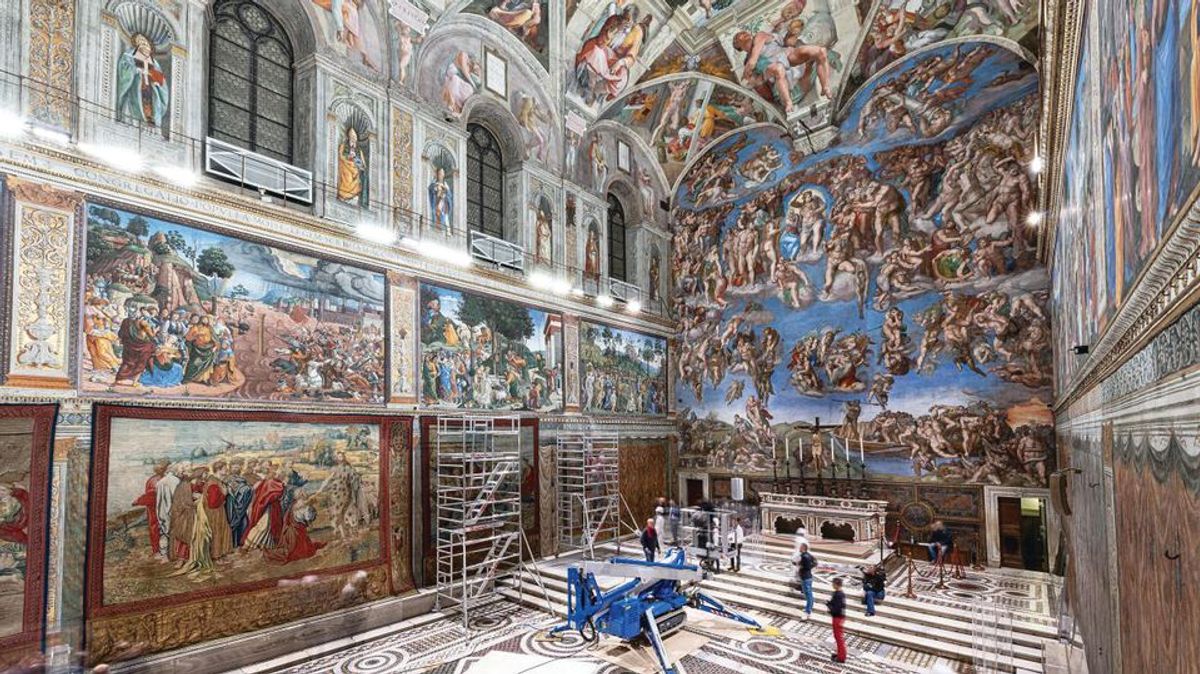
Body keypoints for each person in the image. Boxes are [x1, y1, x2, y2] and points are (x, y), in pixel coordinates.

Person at [793, 542, 817, 619]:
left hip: (806, 578)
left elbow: (806, 566)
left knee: (809, 595)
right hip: (806, 577)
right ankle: (808, 608)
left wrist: (799, 565)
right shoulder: (808, 555)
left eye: (800, 547)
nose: (799, 548)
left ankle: (808, 612)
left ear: (803, 548)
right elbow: (815, 563)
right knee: (807, 594)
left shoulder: (804, 556)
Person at [828, 577, 847, 663]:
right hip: (838, 617)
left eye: (833, 583)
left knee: (839, 637)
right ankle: (839, 654)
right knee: (837, 637)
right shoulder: (838, 593)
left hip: (838, 617)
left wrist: (830, 608)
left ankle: (841, 657)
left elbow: (837, 608)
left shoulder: (839, 595)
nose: (832, 585)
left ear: (836, 584)